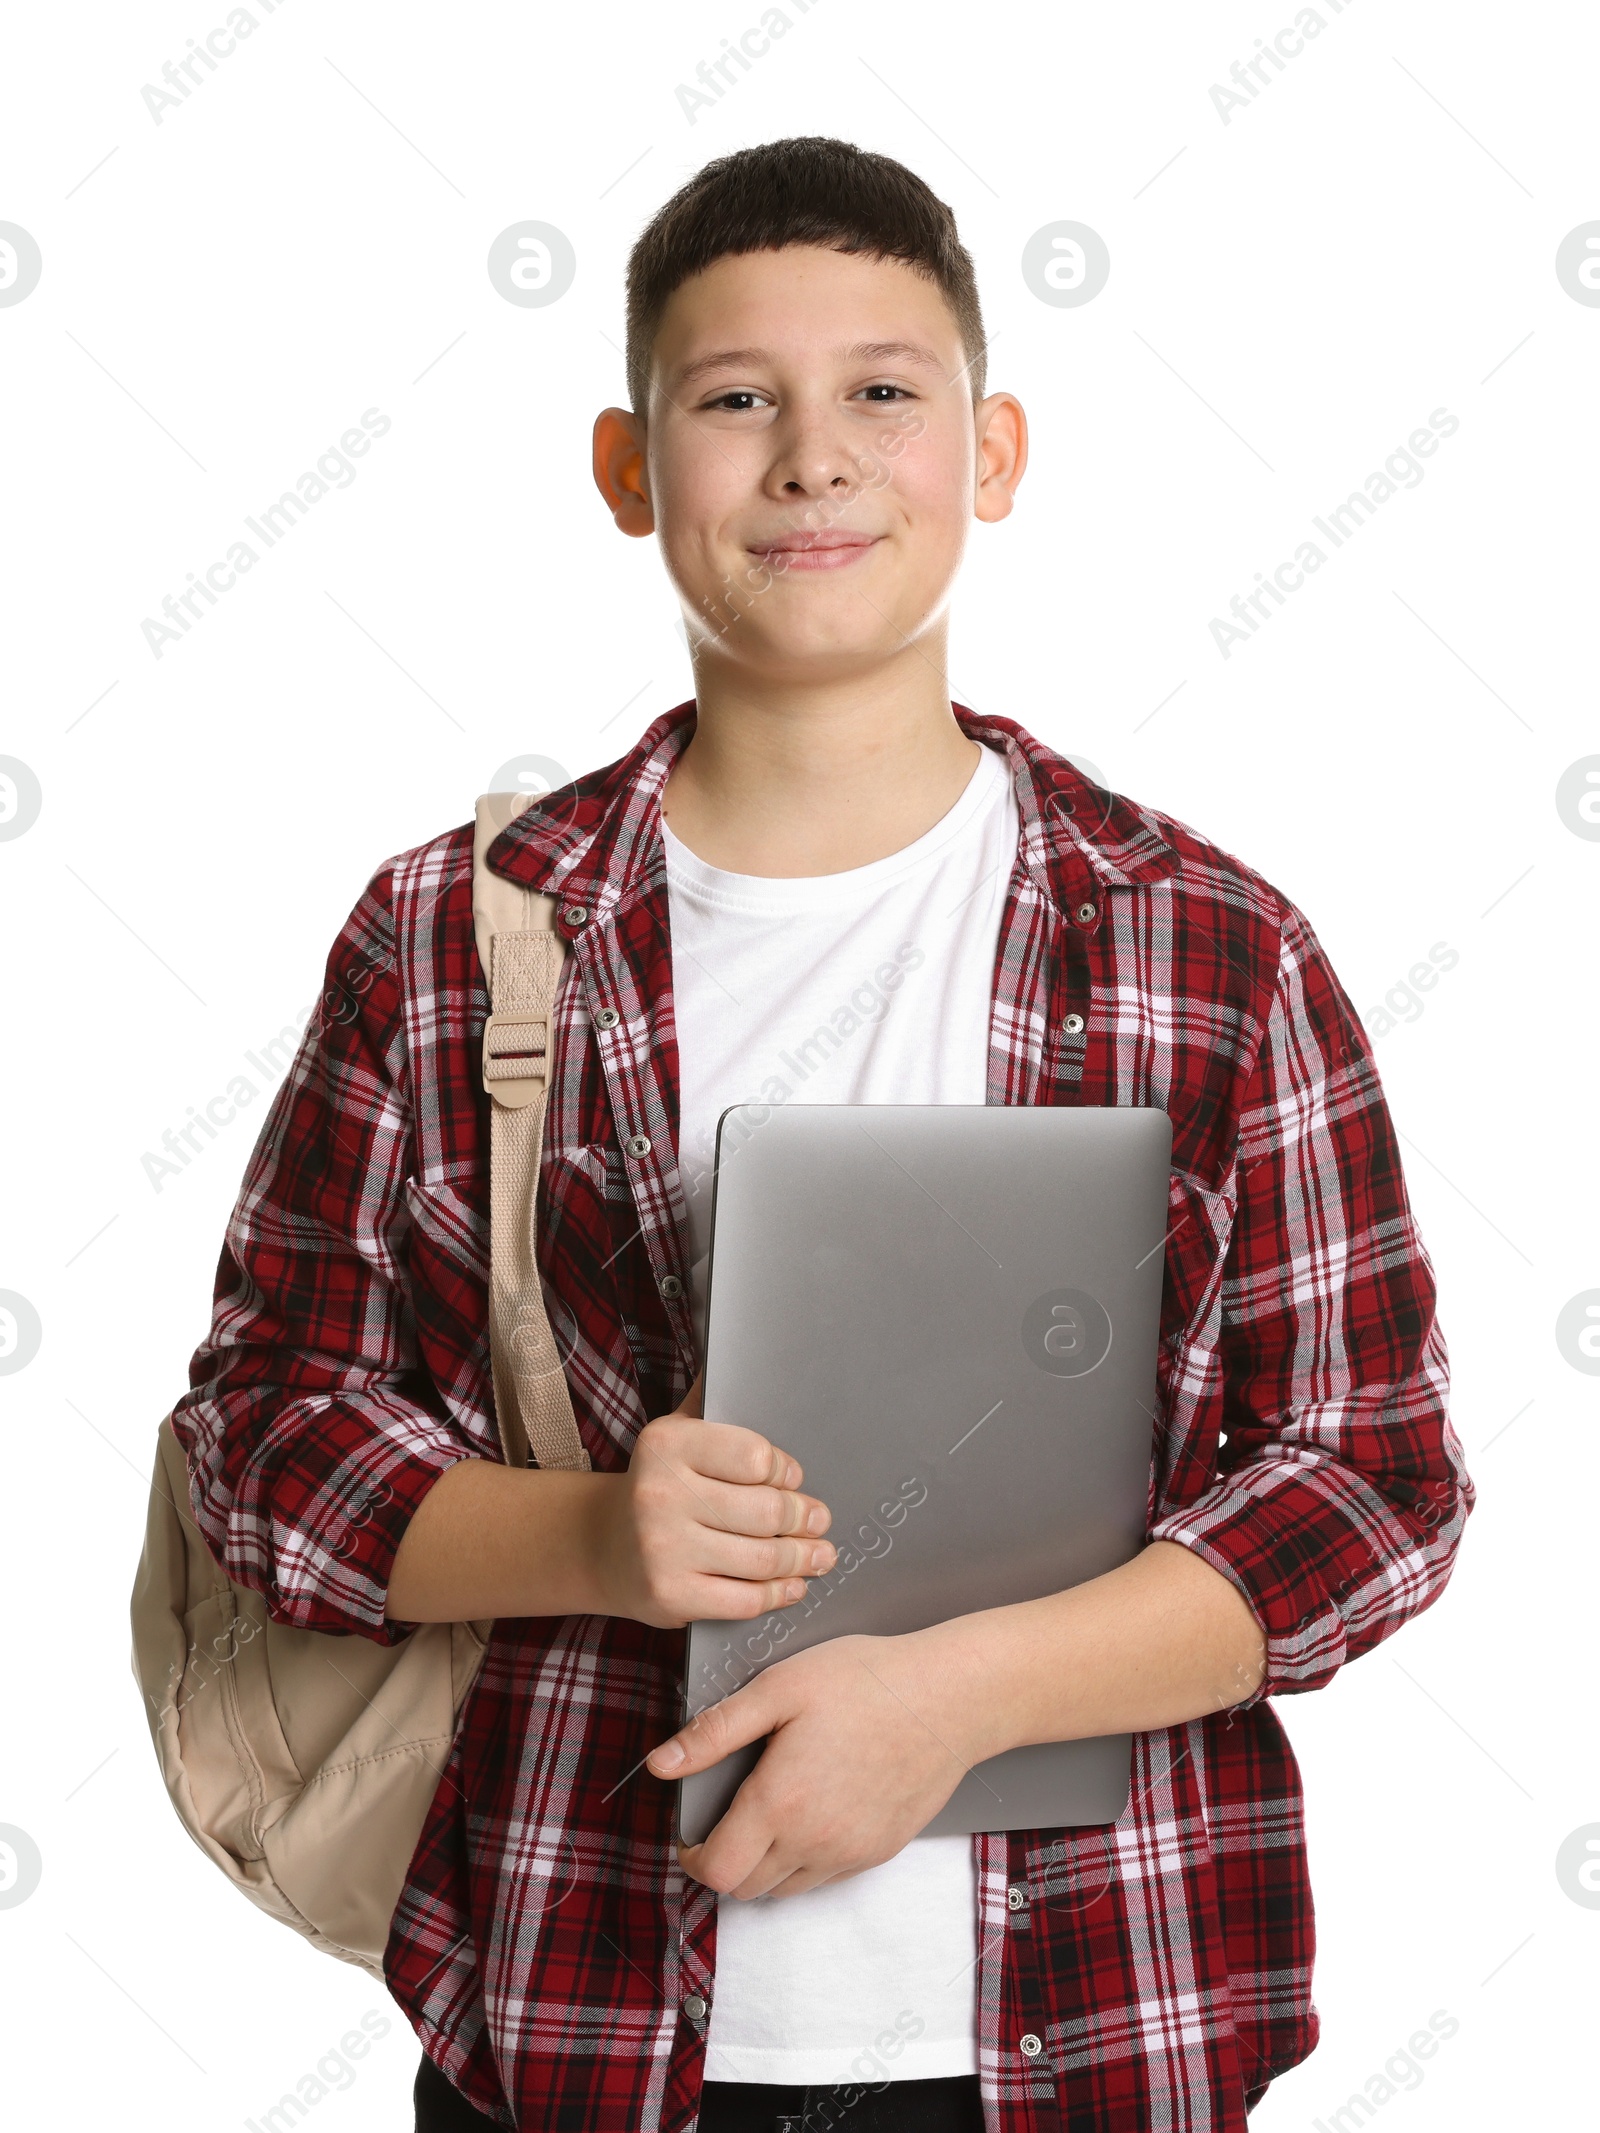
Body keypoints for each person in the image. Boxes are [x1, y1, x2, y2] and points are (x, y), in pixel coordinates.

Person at [170, 136, 1473, 2133]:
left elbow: (1368, 1481)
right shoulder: (458, 929)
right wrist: (595, 1533)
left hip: (1089, 2016)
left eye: (881, 388)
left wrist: (956, 1695)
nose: (810, 456)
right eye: (730, 399)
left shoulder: (1206, 945)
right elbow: (271, 1431)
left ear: (994, 448)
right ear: (627, 471)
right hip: (580, 2009)